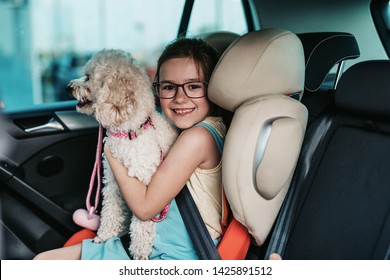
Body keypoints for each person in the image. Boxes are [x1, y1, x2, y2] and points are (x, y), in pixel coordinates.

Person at [34, 37, 226, 260]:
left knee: (42, 262)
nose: (179, 98)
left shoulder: (197, 139)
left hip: (173, 256)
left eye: (193, 86)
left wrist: (111, 151)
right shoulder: (205, 127)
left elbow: (145, 209)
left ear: (213, 89)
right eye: (168, 87)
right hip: (158, 244)